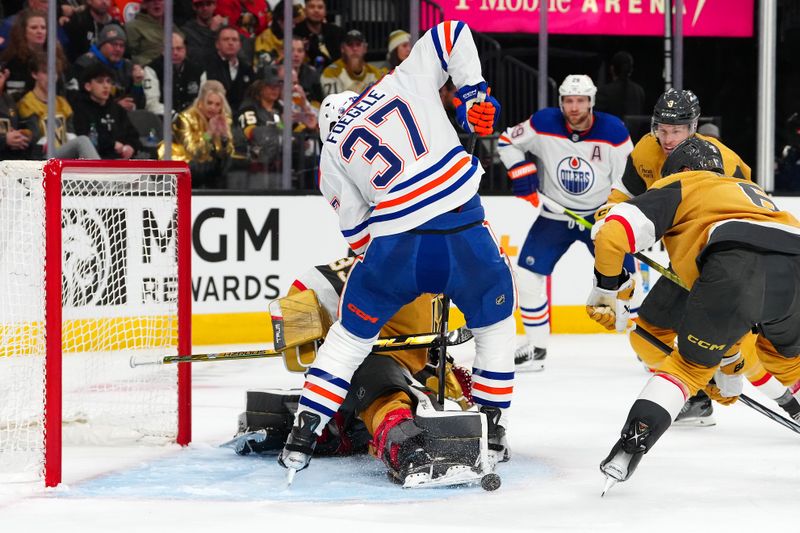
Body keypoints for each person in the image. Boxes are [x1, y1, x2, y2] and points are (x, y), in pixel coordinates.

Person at [278, 21, 516, 486]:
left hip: (396, 242)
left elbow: (357, 235)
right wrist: (472, 93)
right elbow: (452, 32)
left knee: (347, 341)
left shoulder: (330, 155)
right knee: (495, 326)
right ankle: (491, 428)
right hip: (462, 225)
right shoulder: (396, 82)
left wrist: (386, 269)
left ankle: (302, 435)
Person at [588, 137, 800, 491]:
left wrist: (606, 290)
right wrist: (729, 363)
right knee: (788, 362)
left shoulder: (681, 182)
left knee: (685, 369)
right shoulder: (748, 189)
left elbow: (612, 236)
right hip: (794, 261)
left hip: (733, 264)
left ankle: (629, 449)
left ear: (682, 169)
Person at [230, 256, 489, 486]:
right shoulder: (367, 266)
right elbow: (302, 295)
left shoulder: (437, 270)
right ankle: (406, 447)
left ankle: (338, 428)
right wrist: (312, 345)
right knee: (383, 391)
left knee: (442, 399)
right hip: (365, 360)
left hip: (410, 367)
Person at [598, 88, 753, 426]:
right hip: (683, 265)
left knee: (755, 354)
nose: (667, 139)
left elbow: (748, 219)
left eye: (677, 131)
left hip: (726, 267)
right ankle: (696, 396)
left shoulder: (724, 162)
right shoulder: (645, 150)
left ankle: (788, 394)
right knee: (647, 336)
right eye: (662, 129)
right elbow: (624, 195)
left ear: (693, 128)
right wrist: (609, 214)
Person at [496, 74, 640, 372]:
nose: (574, 107)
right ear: (561, 102)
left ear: (591, 102)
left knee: (628, 283)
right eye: (569, 101)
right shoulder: (544, 123)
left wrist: (616, 211)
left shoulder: (613, 131)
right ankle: (536, 349)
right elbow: (506, 141)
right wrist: (520, 168)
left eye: (581, 101)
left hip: (601, 218)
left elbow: (630, 176)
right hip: (555, 214)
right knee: (526, 277)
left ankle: (648, 348)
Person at [17, 52, 99, 159]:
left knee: (81, 145)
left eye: (54, 73)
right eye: (45, 72)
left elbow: (71, 133)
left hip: (62, 153)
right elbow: (35, 139)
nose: (51, 77)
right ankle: (100, 174)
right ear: (34, 74)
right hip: (41, 156)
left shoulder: (61, 102)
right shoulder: (27, 102)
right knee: (82, 141)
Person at [159, 79, 235, 189]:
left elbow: (228, 152)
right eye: (209, 103)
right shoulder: (185, 119)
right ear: (201, 102)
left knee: (226, 166)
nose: (213, 108)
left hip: (205, 166)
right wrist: (209, 133)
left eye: (217, 104)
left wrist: (224, 137)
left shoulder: (223, 119)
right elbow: (194, 152)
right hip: (180, 164)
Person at [66, 23, 146, 111]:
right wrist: (114, 107)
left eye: (122, 45)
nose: (118, 49)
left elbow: (139, 104)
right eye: (114, 44)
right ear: (101, 45)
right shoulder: (85, 64)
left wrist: (137, 84)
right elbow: (76, 99)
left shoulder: (128, 66)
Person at [71, 62, 140, 160]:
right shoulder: (79, 109)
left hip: (121, 162)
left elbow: (133, 134)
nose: (106, 86)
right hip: (94, 162)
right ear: (88, 86)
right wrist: (112, 145)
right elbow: (84, 137)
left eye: (108, 81)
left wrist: (131, 146)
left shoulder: (117, 109)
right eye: (100, 81)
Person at [0, 9, 68, 101]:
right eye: (34, 28)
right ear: (23, 31)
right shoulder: (14, 60)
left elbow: (64, 89)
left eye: (43, 28)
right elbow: (14, 97)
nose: (40, 31)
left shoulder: (56, 55)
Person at [143, 32, 204, 115]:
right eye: (170, 49)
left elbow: (202, 101)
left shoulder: (198, 70)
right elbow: (151, 104)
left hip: (192, 119)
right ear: (163, 51)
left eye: (179, 48)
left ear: (185, 49)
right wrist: (175, 116)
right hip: (162, 119)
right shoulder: (152, 69)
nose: (175, 53)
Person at [202, 26, 254, 112]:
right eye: (226, 39)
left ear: (240, 45)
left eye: (234, 40)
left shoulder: (247, 69)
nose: (230, 43)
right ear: (217, 44)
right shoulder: (207, 66)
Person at [319, 29, 385, 96]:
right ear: (342, 48)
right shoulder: (331, 72)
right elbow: (334, 104)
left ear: (365, 48)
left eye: (358, 44)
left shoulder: (375, 73)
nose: (354, 48)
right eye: (350, 45)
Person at [252, 0, 304, 72]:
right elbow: (263, 67)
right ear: (279, 21)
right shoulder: (264, 39)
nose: (294, 26)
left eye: (295, 23)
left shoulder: (295, 36)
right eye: (291, 23)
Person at [594, 51, 646, 119]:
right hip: (634, 130)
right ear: (631, 69)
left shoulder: (604, 92)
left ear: (612, 68)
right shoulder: (639, 91)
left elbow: (596, 117)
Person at [294, 0, 343, 69]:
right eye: (312, 7)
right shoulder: (295, 33)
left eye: (320, 7)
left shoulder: (336, 32)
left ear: (325, 12)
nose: (316, 10)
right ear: (305, 11)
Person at [0, 64, 33, 159]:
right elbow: (6, 139)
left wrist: (24, 135)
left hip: (10, 159)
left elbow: (18, 126)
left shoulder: (8, 99)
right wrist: (4, 140)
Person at [124, 0, 165, 67]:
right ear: (144, 5)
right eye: (151, 0)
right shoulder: (133, 27)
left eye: (161, 0)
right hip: (148, 71)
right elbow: (131, 57)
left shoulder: (172, 26)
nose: (157, 2)